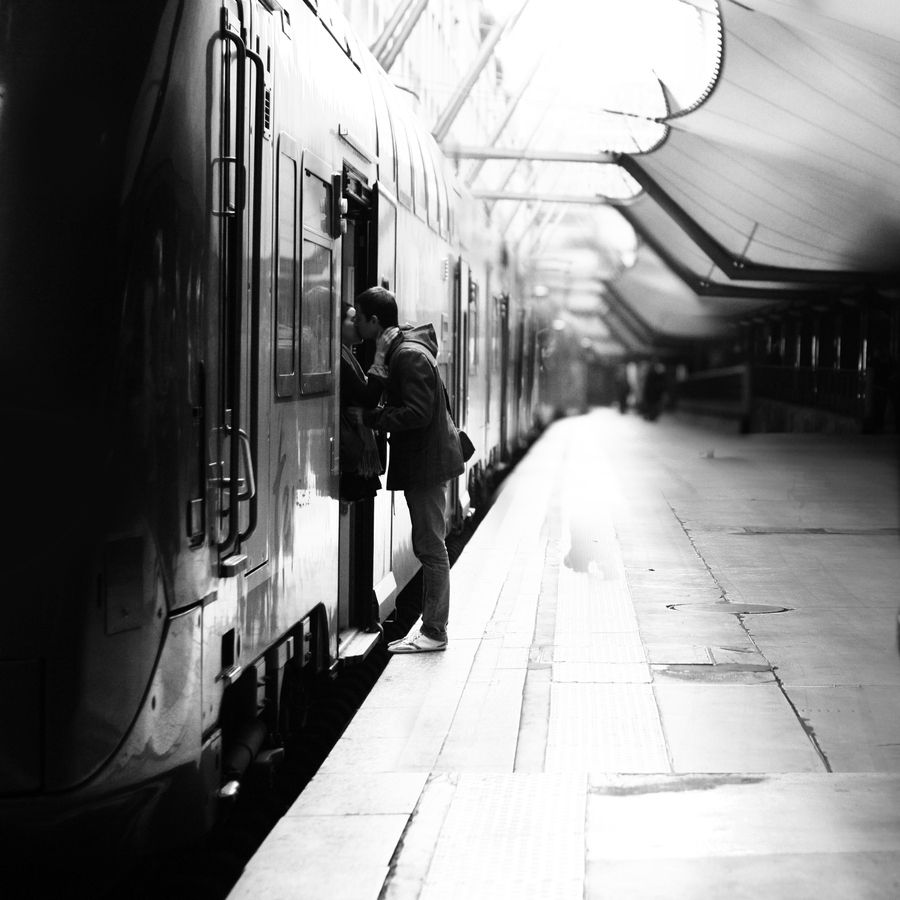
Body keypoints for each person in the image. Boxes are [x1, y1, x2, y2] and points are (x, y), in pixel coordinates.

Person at [352, 286, 465, 653]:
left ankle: (434, 631)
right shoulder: (405, 351)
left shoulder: (408, 357)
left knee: (431, 549)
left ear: (373, 321)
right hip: (427, 461)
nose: (356, 326)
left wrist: (372, 417)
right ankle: (432, 628)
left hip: (427, 465)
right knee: (429, 546)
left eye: (359, 318)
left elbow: (417, 413)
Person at [339, 303, 382, 502]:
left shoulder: (348, 357)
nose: (356, 324)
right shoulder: (339, 359)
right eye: (351, 319)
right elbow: (366, 396)